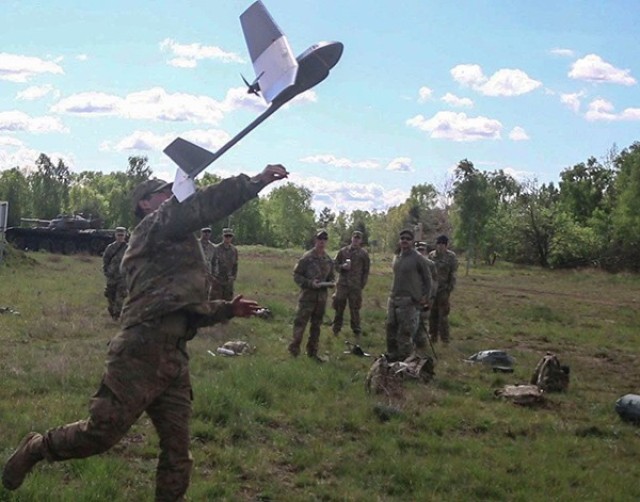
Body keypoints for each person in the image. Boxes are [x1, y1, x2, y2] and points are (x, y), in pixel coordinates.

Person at [2, 164, 288, 500]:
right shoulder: (152, 230)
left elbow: (182, 308)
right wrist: (254, 182)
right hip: (140, 350)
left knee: (178, 454)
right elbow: (199, 206)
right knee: (100, 435)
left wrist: (227, 309)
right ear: (145, 205)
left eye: (172, 190)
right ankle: (38, 447)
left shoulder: (179, 240)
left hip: (173, 356)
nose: (172, 196)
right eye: (163, 193)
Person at [385, 229, 432, 362]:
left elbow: (428, 279)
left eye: (408, 238)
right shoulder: (397, 256)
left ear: (412, 241)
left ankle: (405, 363)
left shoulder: (418, 258)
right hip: (394, 299)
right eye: (402, 238)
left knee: (404, 334)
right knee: (390, 330)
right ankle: (391, 359)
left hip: (409, 302)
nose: (404, 240)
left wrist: (425, 297)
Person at [289, 229, 335, 361]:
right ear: (315, 240)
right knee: (300, 324)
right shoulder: (307, 257)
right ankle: (294, 351)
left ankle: (312, 353)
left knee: (316, 326)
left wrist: (331, 283)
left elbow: (331, 277)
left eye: (324, 240)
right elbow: (296, 275)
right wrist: (309, 283)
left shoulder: (328, 260)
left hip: (321, 299)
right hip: (307, 298)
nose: (322, 242)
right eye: (320, 239)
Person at [332, 230, 370, 339]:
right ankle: (336, 329)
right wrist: (342, 267)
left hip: (355, 286)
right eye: (354, 238)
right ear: (351, 238)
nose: (356, 240)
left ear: (361, 240)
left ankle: (356, 330)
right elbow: (335, 264)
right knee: (339, 307)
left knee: (355, 309)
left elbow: (366, 270)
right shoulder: (343, 251)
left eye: (358, 238)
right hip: (342, 285)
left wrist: (362, 284)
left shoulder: (363, 254)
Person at [428, 234, 458, 344]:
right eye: (439, 244)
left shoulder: (451, 257)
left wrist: (449, 289)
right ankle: (433, 336)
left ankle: (445, 339)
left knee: (443, 316)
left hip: (443, 290)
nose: (440, 246)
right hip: (432, 290)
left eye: (443, 244)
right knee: (432, 315)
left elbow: (453, 274)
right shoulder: (431, 256)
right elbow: (428, 272)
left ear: (446, 245)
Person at [414, 241, 437, 351]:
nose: (420, 252)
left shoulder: (431, 265)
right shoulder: (412, 263)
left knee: (423, 323)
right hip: (412, 298)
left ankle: (422, 347)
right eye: (418, 250)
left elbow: (434, 282)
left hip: (425, 298)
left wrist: (430, 298)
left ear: (426, 252)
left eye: (422, 250)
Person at [102, 226, 128, 321]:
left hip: (123, 277)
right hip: (111, 276)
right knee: (110, 296)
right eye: (118, 235)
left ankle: (116, 316)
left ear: (125, 235)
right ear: (115, 235)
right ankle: (112, 311)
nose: (120, 236)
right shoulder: (110, 248)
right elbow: (105, 260)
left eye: (122, 235)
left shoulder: (128, 248)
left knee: (120, 297)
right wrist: (106, 271)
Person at [212, 228, 238, 301]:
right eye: (226, 236)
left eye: (230, 236)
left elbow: (235, 265)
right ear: (223, 237)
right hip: (218, 280)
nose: (228, 238)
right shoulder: (217, 249)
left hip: (229, 280)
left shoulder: (234, 250)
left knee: (228, 301)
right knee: (217, 301)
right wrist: (213, 277)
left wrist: (234, 276)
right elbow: (212, 264)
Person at [198, 227, 217, 299]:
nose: (207, 234)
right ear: (201, 232)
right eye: (205, 232)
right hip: (197, 274)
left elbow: (215, 262)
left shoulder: (213, 247)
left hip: (208, 275)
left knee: (206, 295)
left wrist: (214, 275)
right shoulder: (196, 245)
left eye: (208, 232)